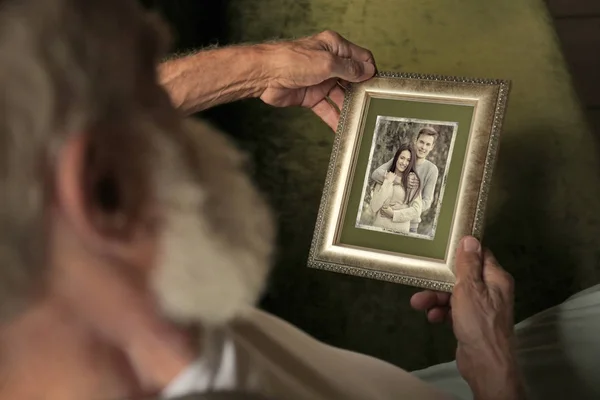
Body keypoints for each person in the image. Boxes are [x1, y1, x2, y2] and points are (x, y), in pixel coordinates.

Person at [0, 0, 533, 399]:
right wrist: (494, 368)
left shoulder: (75, 280)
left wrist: (257, 68)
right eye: (146, 79)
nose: (165, 110)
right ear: (95, 188)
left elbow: (54, 130)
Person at [371, 127, 440, 234]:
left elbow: (426, 202)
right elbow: (376, 174)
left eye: (428, 144)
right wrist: (400, 181)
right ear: (416, 141)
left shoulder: (432, 170)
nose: (423, 147)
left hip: (410, 224)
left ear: (432, 147)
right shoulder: (403, 159)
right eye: (421, 142)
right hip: (385, 219)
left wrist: (400, 210)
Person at [368, 143, 422, 234]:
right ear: (396, 158)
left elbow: (416, 210)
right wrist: (388, 182)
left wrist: (394, 214)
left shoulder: (413, 181)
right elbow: (374, 207)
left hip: (400, 231)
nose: (404, 163)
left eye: (408, 160)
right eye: (402, 158)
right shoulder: (383, 177)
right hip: (379, 229)